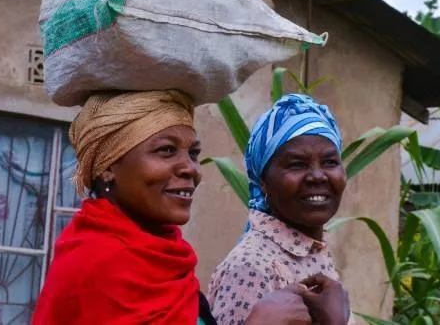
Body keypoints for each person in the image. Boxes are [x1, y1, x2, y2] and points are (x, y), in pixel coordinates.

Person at [32, 89, 343, 324]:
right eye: (166, 151)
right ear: (108, 167)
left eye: (193, 154)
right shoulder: (97, 265)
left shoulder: (165, 262)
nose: (191, 169)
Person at [207, 93, 354, 325]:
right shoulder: (253, 266)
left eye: (329, 162)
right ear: (263, 180)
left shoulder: (310, 250)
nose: (317, 176)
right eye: (297, 164)